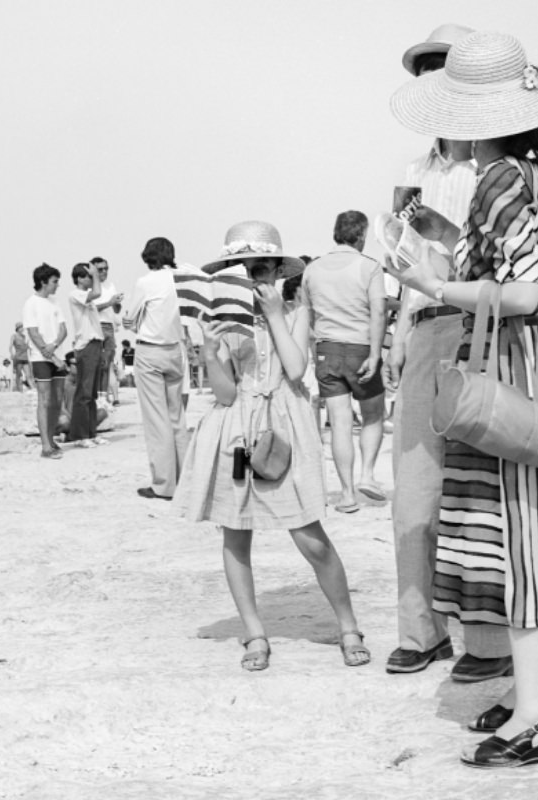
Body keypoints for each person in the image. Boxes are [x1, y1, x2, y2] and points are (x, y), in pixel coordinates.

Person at [387, 30, 538, 767]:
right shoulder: (527, 177)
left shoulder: (502, 180)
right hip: (530, 366)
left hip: (513, 369)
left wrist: (433, 284)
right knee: (530, 537)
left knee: (521, 542)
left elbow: (525, 291)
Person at [174, 220, 369, 672]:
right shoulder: (224, 320)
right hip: (236, 425)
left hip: (286, 421)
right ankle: (254, 632)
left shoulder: (297, 310)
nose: (254, 276)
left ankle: (348, 626)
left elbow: (297, 368)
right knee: (235, 533)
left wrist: (278, 314)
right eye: (242, 269)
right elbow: (224, 393)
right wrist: (208, 349)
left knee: (310, 535)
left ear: (278, 270)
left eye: (262, 268)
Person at [383, 22, 511, 683]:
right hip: (425, 330)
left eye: (446, 68)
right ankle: (421, 630)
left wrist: (450, 236)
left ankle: (488, 643)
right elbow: (401, 260)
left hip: (489, 332)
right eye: (426, 70)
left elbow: (518, 267)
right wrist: (396, 332)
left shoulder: (505, 167)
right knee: (414, 494)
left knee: (480, 494)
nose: (434, 80)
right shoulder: (413, 172)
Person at [302, 210, 387, 513]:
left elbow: (307, 314)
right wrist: (376, 354)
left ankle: (348, 494)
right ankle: (367, 475)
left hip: (327, 348)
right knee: (374, 415)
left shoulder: (312, 269)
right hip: (361, 348)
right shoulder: (370, 267)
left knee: (339, 424)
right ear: (362, 235)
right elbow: (379, 311)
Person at [121, 237, 190, 500]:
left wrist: (126, 316)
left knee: (156, 420)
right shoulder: (181, 278)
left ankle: (163, 484)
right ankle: (184, 479)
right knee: (177, 419)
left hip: (150, 349)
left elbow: (130, 317)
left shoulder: (145, 282)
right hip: (174, 349)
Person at [23, 263, 68, 459]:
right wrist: (50, 353)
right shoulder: (30, 304)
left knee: (57, 401)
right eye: (54, 282)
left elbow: (63, 329)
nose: (57, 285)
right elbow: (33, 333)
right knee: (45, 400)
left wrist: (55, 345)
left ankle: (51, 438)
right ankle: (45, 446)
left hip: (56, 354)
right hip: (40, 359)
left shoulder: (55, 302)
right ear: (43, 282)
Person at [66, 262, 109, 446]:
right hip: (86, 345)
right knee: (84, 393)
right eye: (89, 276)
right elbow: (97, 293)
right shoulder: (76, 294)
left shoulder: (87, 300)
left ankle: (91, 433)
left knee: (92, 393)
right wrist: (96, 276)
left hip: (96, 344)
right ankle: (80, 435)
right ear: (80, 278)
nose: (92, 279)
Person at [90, 257, 125, 404]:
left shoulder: (110, 286)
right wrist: (109, 302)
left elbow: (116, 310)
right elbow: (90, 309)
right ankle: (97, 397)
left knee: (107, 364)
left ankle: (104, 398)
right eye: (100, 269)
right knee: (97, 365)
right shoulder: (90, 287)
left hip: (109, 327)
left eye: (106, 268)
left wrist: (116, 303)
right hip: (97, 326)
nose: (104, 272)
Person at [10, 322, 32, 392]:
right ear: (17, 329)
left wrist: (28, 347)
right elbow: (10, 346)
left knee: (28, 375)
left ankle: (32, 388)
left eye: (23, 327)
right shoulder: (14, 336)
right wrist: (11, 354)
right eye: (21, 327)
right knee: (19, 375)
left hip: (25, 358)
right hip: (18, 358)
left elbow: (25, 346)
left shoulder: (24, 336)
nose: (23, 329)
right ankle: (19, 390)